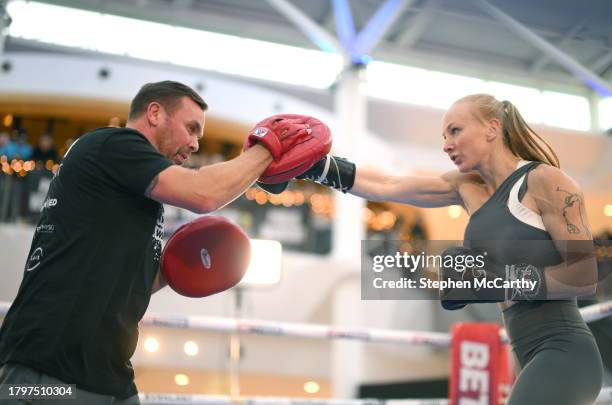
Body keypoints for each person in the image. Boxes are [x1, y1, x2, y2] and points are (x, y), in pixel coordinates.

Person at [0, 80, 306, 404]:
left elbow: (136, 283)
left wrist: (197, 265)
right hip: (45, 368)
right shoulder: (113, 145)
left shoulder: (139, 199)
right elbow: (203, 193)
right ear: (155, 113)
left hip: (109, 374)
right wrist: (267, 149)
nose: (194, 144)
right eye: (191, 128)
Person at [288, 94, 603, 404]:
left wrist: (501, 280)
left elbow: (583, 275)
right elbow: (389, 185)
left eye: (455, 130)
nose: (446, 144)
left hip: (565, 349)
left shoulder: (544, 180)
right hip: (524, 351)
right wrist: (318, 167)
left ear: (492, 128)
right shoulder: (465, 187)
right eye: (443, 135)